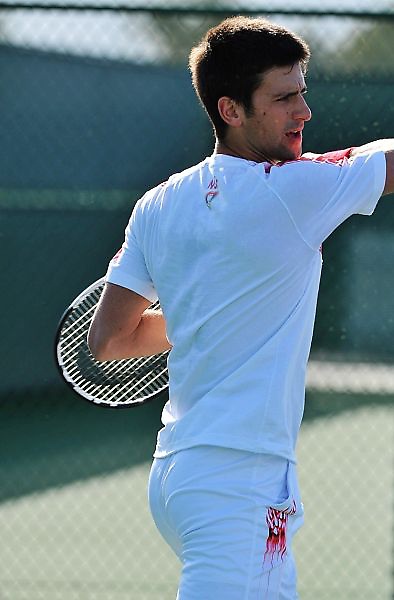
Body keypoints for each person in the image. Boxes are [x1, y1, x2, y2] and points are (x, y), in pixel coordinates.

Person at [87, 16, 393, 600]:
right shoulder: (294, 189)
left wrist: (220, 313)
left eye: (302, 90)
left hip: (179, 479)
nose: (303, 110)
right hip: (237, 485)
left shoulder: (157, 204)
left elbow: (110, 341)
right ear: (231, 110)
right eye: (283, 98)